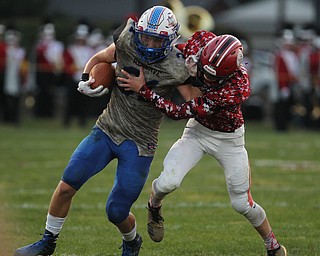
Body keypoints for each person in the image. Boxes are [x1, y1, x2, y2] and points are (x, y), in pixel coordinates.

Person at [14, 5, 194, 256]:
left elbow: (191, 106)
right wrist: (86, 78)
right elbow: (99, 58)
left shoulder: (178, 66)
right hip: (108, 128)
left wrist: (145, 91)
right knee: (67, 185)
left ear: (171, 39)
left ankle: (131, 241)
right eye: (146, 36)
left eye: (157, 39)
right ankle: (47, 242)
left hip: (140, 142)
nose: (150, 43)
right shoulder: (128, 39)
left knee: (116, 211)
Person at [118, 31, 287, 256]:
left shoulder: (235, 89)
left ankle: (273, 246)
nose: (206, 79)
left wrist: (144, 90)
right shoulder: (202, 42)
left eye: (213, 77)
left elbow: (178, 112)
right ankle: (154, 205)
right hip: (198, 132)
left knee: (242, 204)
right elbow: (172, 51)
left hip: (229, 139)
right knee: (168, 182)